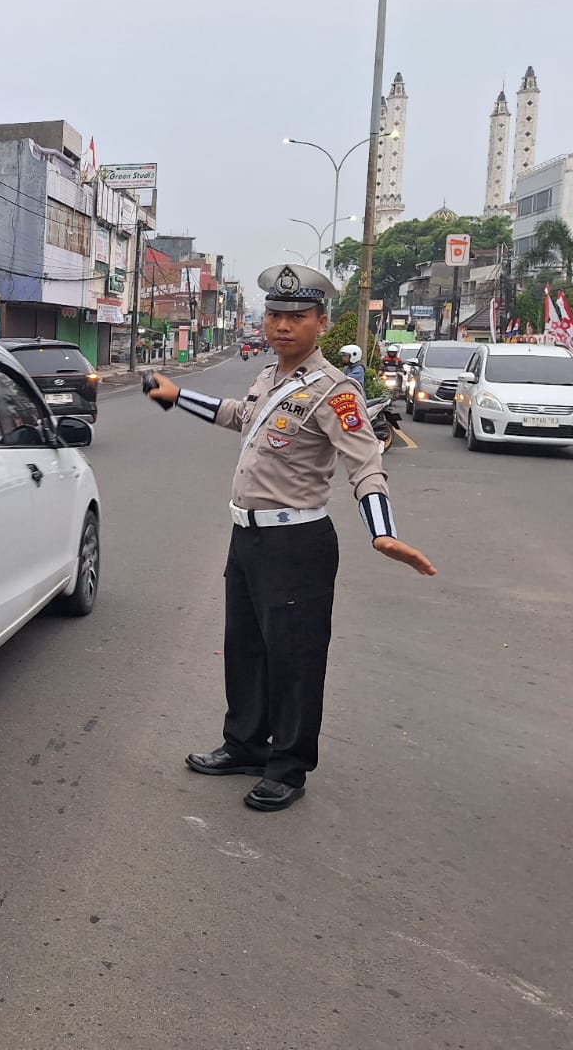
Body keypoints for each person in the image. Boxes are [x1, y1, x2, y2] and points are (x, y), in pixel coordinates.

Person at [144, 263, 436, 812]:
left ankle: (288, 766)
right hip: (247, 539)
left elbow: (365, 463)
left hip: (296, 544)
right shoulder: (268, 378)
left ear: (321, 323)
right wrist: (176, 395)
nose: (282, 325)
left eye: (297, 316)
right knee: (245, 649)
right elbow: (239, 416)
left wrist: (382, 533)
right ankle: (246, 745)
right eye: (275, 314)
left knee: (295, 658)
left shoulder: (336, 392)